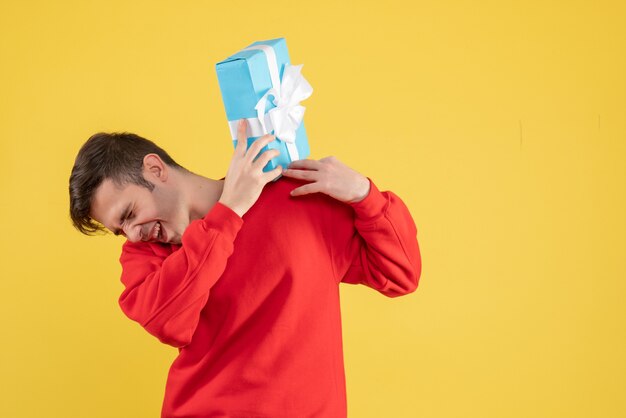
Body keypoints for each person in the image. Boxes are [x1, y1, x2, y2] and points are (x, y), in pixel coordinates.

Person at [68, 119, 422, 418]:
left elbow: (400, 273)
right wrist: (229, 212)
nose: (132, 233)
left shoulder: (296, 200)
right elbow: (168, 322)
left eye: (129, 214)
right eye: (120, 230)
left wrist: (364, 195)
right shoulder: (145, 254)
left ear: (155, 169)